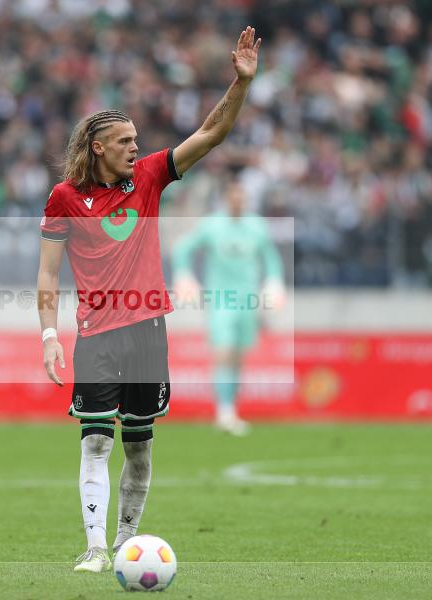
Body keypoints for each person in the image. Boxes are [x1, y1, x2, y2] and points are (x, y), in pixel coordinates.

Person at [36, 27, 262, 573]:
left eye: (138, 139)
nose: (137, 147)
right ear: (98, 147)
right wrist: (48, 336)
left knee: (138, 447)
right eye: (126, 140)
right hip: (95, 335)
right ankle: (93, 548)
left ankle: (126, 544)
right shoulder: (65, 197)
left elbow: (210, 135)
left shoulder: (151, 178)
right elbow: (46, 275)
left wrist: (240, 83)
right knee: (95, 444)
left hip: (147, 331)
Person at [172, 179, 286, 436]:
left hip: (248, 300)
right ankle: (223, 411)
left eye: (242, 195)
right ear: (226, 197)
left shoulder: (256, 226)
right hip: (221, 300)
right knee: (223, 352)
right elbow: (182, 249)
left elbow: (271, 258)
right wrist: (183, 275)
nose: (238, 200)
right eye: (234, 195)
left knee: (237, 356)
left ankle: (231, 409)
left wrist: (275, 281)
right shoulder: (212, 225)